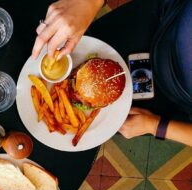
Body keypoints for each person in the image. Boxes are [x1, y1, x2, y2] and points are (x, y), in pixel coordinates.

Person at [33, 0, 192, 146]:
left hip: (170, 96)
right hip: (161, 14)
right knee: (89, 36)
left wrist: (156, 126)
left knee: (115, 121)